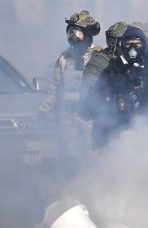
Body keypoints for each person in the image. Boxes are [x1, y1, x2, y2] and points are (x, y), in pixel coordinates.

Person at [89, 26, 148, 148]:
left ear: (144, 44)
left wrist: (144, 103)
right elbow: (100, 91)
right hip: (121, 123)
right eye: (129, 43)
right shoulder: (115, 66)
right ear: (123, 45)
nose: (133, 48)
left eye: (137, 44)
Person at [39, 10, 102, 169]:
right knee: (69, 157)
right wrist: (44, 110)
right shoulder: (64, 58)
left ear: (87, 35)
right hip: (67, 116)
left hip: (89, 117)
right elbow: (54, 87)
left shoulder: (98, 57)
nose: (73, 36)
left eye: (78, 33)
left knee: (92, 156)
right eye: (70, 32)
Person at [80, 21, 128, 124]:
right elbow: (88, 96)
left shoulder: (128, 61)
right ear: (113, 42)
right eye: (126, 41)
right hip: (105, 121)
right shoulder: (97, 63)